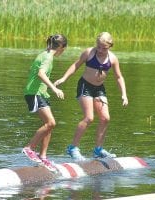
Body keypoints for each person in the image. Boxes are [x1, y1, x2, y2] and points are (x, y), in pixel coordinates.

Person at [54, 32, 128, 161]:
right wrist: (64, 78)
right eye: (98, 46)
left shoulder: (113, 58)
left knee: (105, 118)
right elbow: (76, 65)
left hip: (99, 89)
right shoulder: (89, 53)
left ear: (110, 46)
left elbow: (119, 77)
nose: (100, 50)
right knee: (89, 117)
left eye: (103, 48)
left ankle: (98, 150)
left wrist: (124, 94)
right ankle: (72, 148)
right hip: (85, 86)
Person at [22, 34, 67, 171]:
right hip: (35, 93)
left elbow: (32, 70)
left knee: (49, 125)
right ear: (61, 47)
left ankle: (43, 156)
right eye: (64, 48)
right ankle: (29, 148)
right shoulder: (48, 57)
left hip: (40, 93)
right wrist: (54, 88)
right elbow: (41, 73)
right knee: (51, 123)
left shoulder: (44, 54)